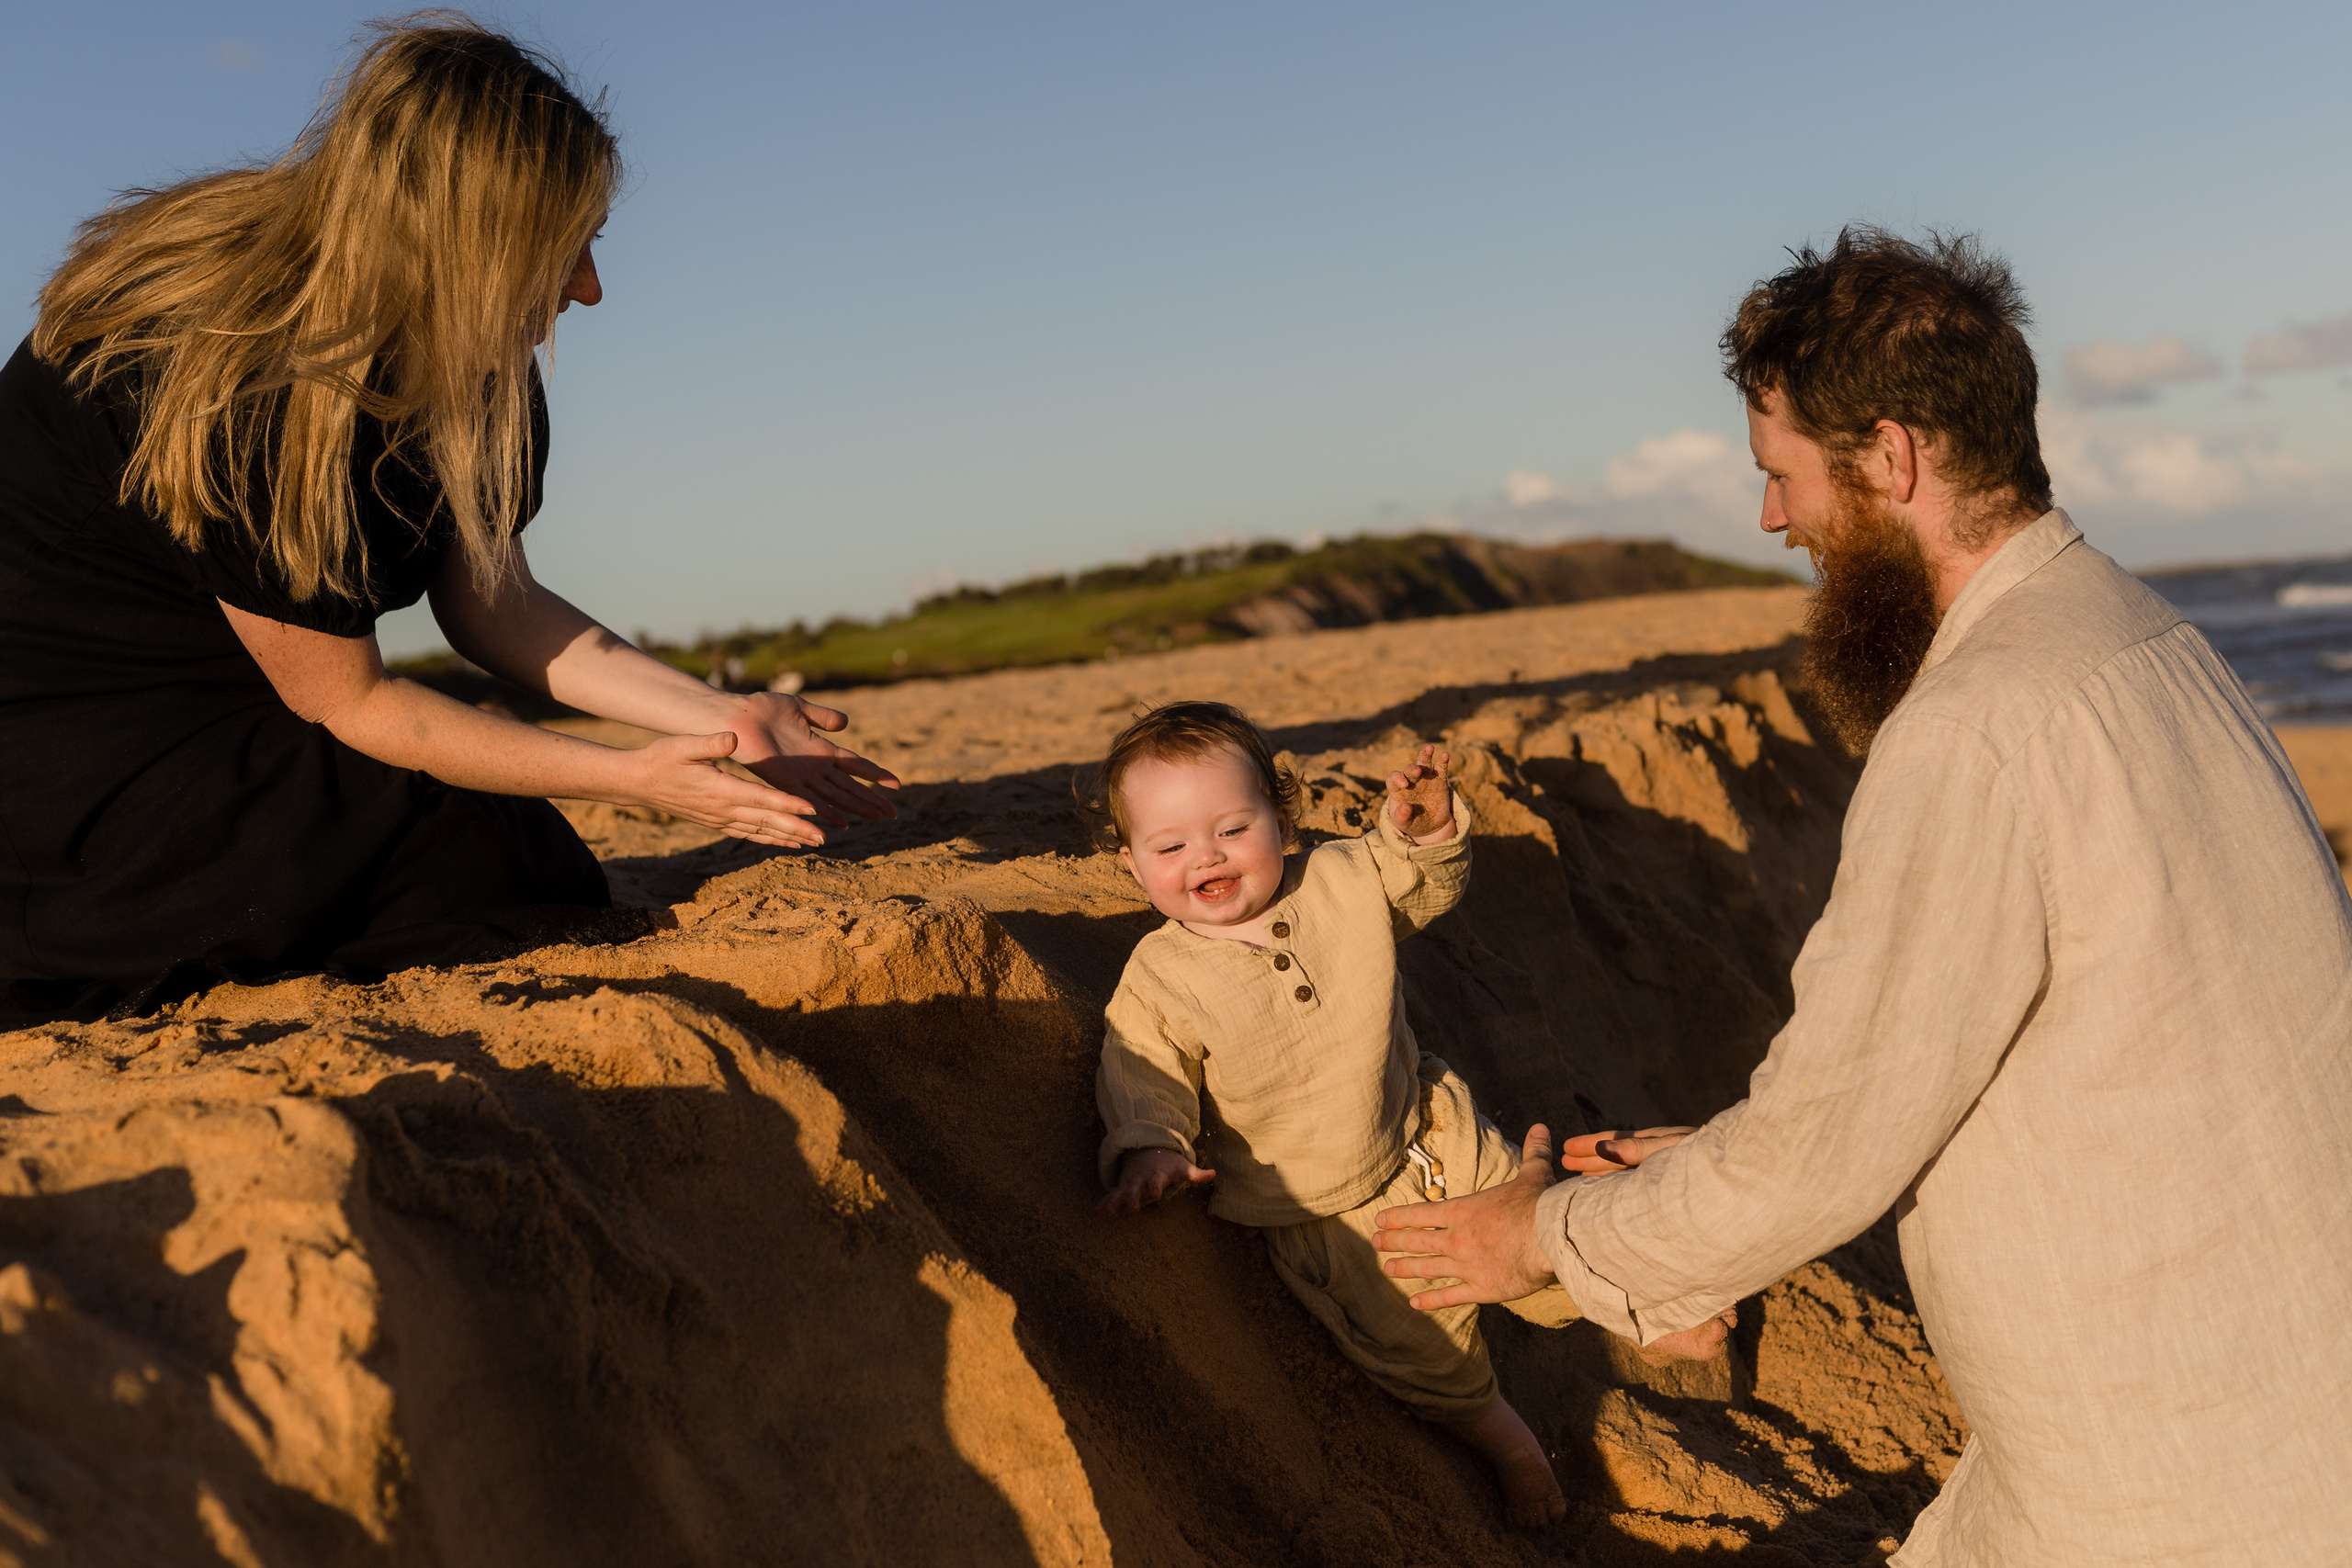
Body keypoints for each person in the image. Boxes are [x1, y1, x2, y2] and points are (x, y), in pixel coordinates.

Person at [1371, 228, 2352, 1563]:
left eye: (1782, 477)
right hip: (2267, 1401)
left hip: (2166, 1479)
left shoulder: (1977, 724)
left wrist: (1540, 1233)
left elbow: (1826, 1142)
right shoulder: (2144, 632)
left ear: (1891, 458)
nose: (1777, 522)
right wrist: (1704, 1175)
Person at [0, 17, 898, 1027]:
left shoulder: (464, 350)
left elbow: (496, 605)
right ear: (464, 245)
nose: (590, 289)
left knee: (511, 853)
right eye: (565, 249)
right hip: (71, 750)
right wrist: (634, 784)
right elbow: (353, 706)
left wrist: (717, 718)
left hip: (249, 704)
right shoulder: (238, 378)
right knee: (461, 849)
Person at [1086, 701, 1588, 1525]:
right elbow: (1142, 1071)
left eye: (1231, 828)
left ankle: (1627, 1300)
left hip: (1428, 1124)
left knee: (1543, 1222)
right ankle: (1509, 1441)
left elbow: (1416, 882)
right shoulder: (1159, 978)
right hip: (1330, 1214)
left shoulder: (1339, 878)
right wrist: (1151, 1150)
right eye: (1169, 846)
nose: (1204, 856)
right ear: (1133, 863)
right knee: (1425, 1346)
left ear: (1283, 822)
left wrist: (1423, 832)